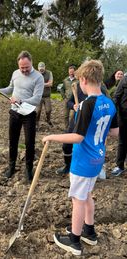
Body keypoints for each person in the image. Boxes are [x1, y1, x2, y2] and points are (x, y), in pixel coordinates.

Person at [42, 60, 119, 256]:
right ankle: (89, 231)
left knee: (78, 199)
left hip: (83, 161)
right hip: (98, 158)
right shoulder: (109, 103)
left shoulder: (87, 104)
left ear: (83, 80)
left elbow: (77, 137)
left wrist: (52, 137)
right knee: (87, 195)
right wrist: (95, 130)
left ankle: (74, 240)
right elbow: (115, 132)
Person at [0, 50, 44, 182]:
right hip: (14, 112)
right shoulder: (15, 73)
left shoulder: (38, 77)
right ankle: (11, 167)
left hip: (29, 114)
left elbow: (37, 99)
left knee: (29, 143)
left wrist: (21, 101)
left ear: (31, 63)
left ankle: (28, 169)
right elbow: (10, 89)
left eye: (26, 67)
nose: (24, 70)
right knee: (13, 141)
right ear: (18, 65)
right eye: (22, 67)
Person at [111, 75, 127, 176]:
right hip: (124, 117)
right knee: (123, 142)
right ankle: (120, 166)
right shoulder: (125, 80)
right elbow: (116, 97)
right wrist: (113, 116)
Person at [36, 62, 53, 129]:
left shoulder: (49, 73)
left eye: (42, 68)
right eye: (40, 69)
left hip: (47, 96)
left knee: (48, 110)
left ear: (45, 67)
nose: (41, 70)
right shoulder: (36, 74)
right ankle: (36, 123)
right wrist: (46, 84)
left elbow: (51, 84)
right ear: (38, 68)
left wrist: (40, 84)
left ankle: (48, 120)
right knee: (37, 111)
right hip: (38, 96)